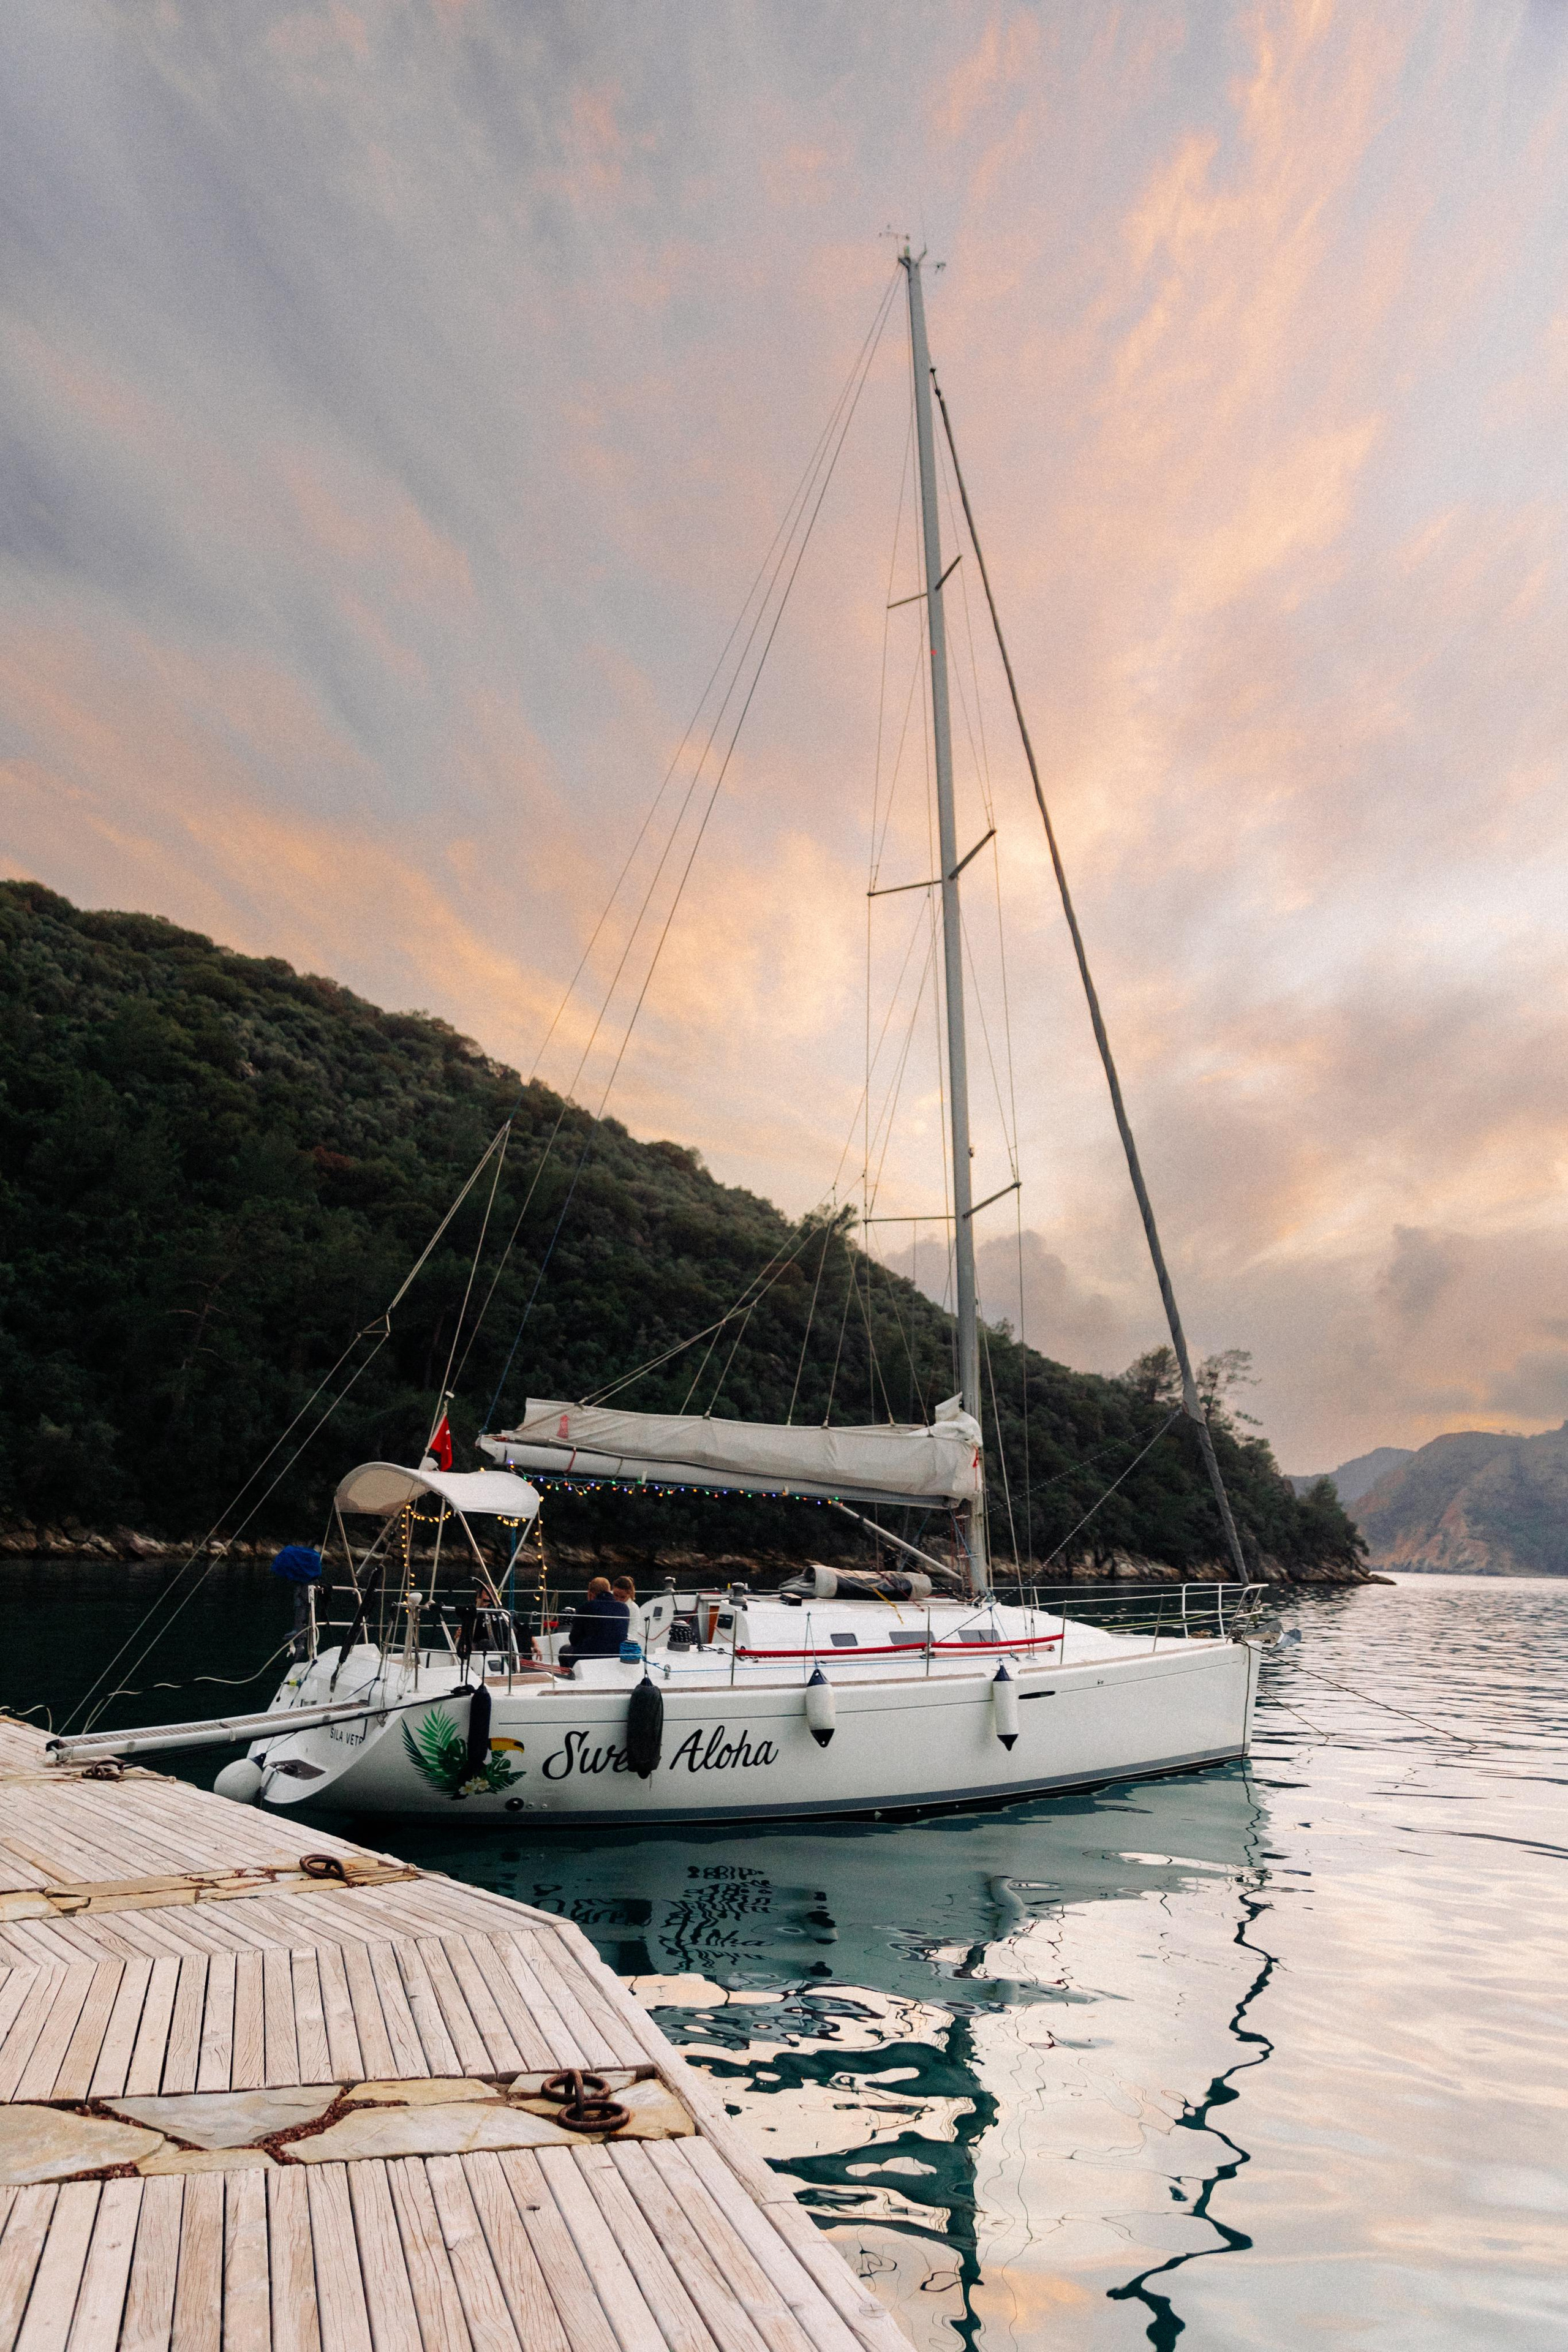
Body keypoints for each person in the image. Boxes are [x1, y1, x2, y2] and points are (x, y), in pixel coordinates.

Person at [559, 1575, 629, 1664]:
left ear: (591, 1594)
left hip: (590, 1655)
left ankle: (570, 1675)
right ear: (609, 1590)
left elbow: (574, 1639)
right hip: (618, 1654)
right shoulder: (624, 1608)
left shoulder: (586, 1608)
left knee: (564, 1651)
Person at [611, 1576, 644, 1648]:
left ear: (630, 1594)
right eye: (616, 1595)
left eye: (623, 1597)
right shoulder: (606, 1601)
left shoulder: (634, 1609)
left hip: (623, 1643)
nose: (618, 1600)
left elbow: (633, 1632)